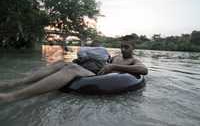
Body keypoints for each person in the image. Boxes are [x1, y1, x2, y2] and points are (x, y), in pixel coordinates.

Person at [0, 41, 148, 102]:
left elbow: (143, 70)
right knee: (61, 64)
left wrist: (115, 67)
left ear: (133, 48)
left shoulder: (133, 61)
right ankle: (17, 83)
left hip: (100, 78)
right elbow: (101, 63)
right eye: (122, 46)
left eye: (126, 47)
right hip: (95, 72)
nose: (123, 49)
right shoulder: (115, 56)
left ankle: (12, 96)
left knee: (72, 69)